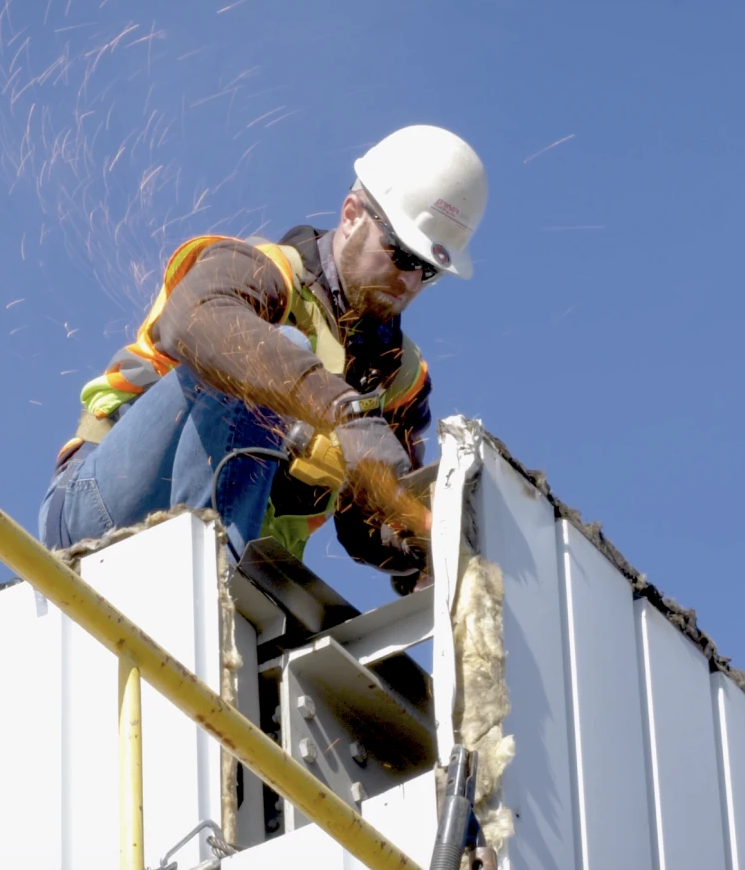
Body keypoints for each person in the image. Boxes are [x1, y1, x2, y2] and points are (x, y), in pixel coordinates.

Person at [38, 125, 488, 593]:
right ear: (352, 215)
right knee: (274, 347)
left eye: (429, 270)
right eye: (399, 252)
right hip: (98, 515)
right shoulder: (265, 270)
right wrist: (342, 415)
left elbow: (365, 526)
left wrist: (417, 542)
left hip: (250, 559)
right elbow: (194, 321)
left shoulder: (396, 378)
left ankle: (229, 590)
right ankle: (217, 593)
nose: (410, 280)